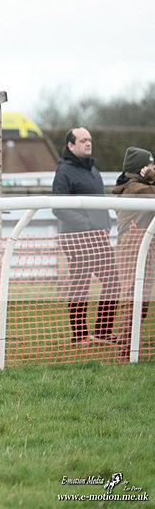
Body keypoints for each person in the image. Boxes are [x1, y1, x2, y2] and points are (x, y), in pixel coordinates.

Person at [52, 127, 119, 344]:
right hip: (77, 240)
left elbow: (99, 203)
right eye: (83, 140)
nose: (88, 143)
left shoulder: (93, 170)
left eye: (89, 140)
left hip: (99, 238)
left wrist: (106, 222)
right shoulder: (64, 172)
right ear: (71, 145)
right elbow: (58, 207)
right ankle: (79, 336)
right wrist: (87, 224)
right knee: (81, 286)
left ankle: (102, 331)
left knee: (113, 283)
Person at [111, 146, 155, 360]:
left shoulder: (136, 186)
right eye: (151, 165)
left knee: (140, 302)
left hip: (139, 247)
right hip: (133, 248)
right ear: (142, 169)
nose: (154, 167)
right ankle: (124, 351)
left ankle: (129, 347)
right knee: (132, 300)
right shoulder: (138, 189)